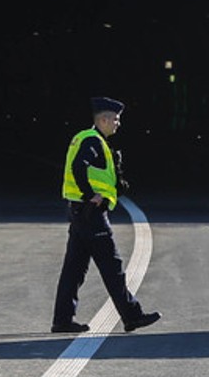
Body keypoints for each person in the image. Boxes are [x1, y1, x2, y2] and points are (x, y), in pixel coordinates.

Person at [50, 96, 161, 334]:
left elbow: (92, 171)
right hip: (91, 214)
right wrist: (90, 194)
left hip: (80, 212)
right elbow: (79, 167)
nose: (118, 124)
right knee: (112, 267)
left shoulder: (88, 139)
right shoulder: (92, 141)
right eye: (116, 119)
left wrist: (116, 184)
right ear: (103, 119)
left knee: (74, 269)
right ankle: (132, 316)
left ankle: (62, 320)